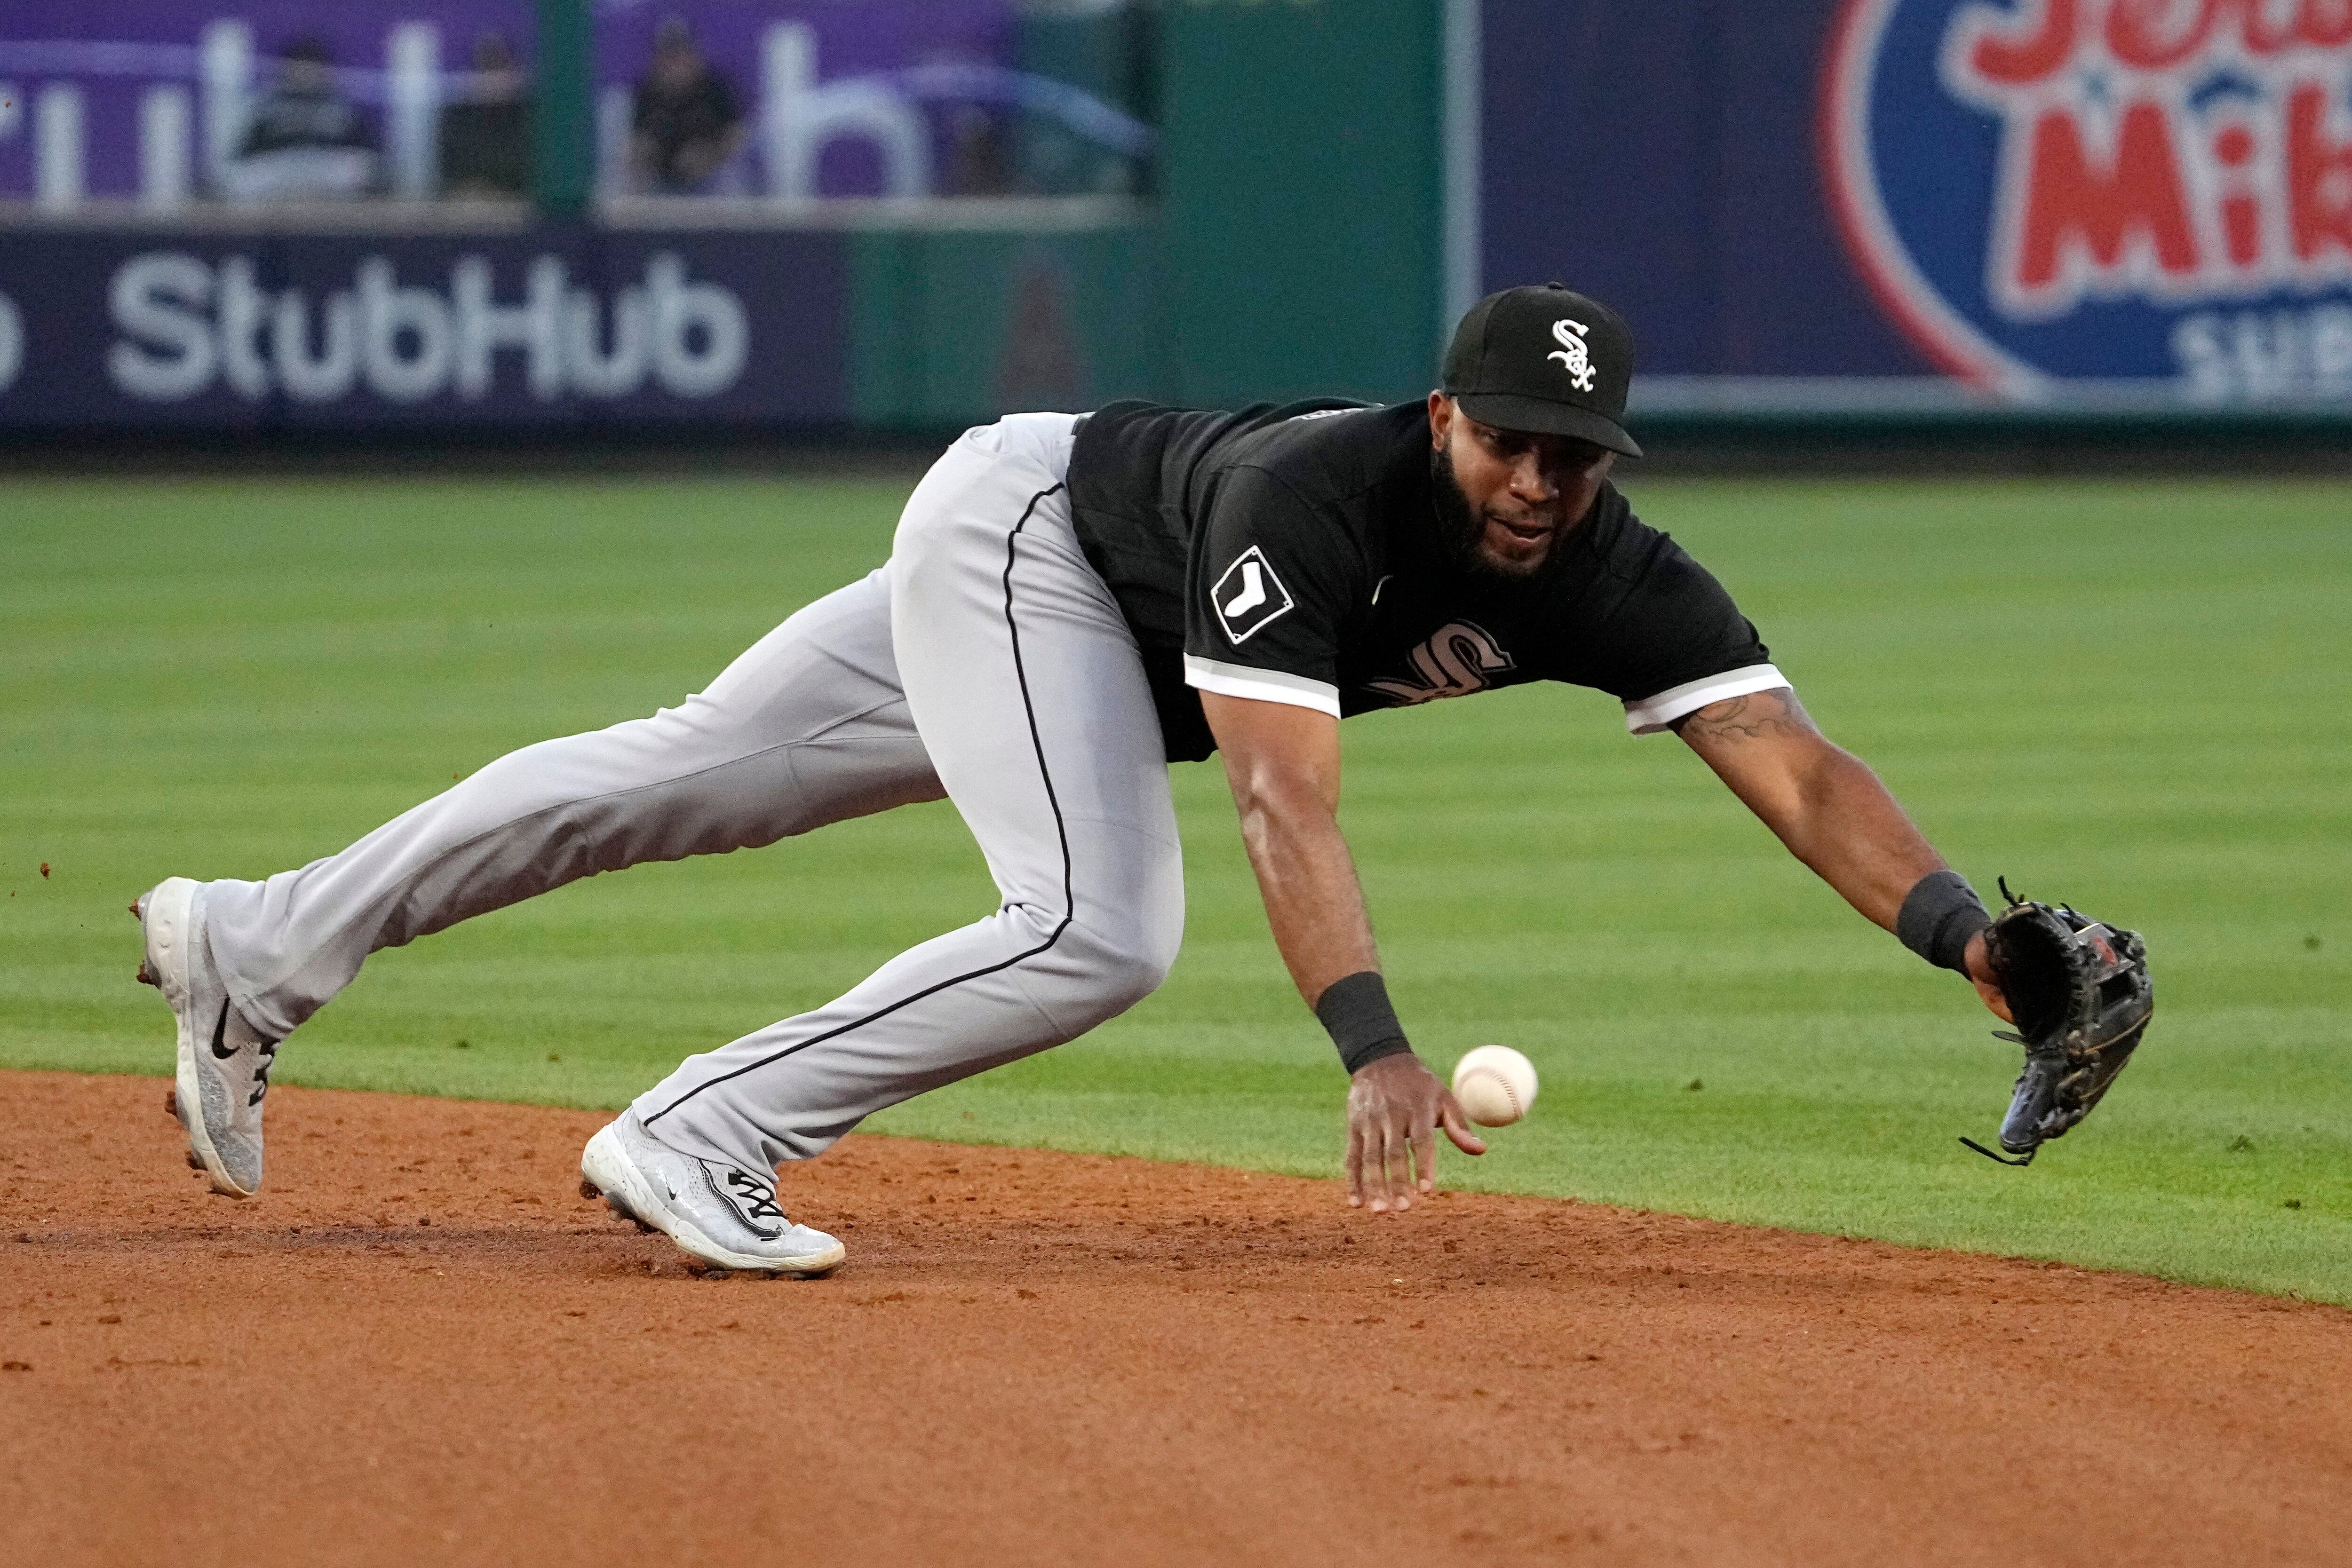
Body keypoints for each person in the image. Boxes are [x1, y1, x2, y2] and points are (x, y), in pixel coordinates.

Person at [134, 285, 2017, 1278]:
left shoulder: (1613, 568)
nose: (1539, 480)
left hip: (1082, 618)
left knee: (685, 771)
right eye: (1510, 439)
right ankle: (706, 1129)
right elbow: (1282, 799)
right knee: (1097, 925)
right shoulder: (1317, 492)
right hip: (1030, 544)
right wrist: (1368, 1037)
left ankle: (253, 937)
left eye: (1576, 454)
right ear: (1443, 415)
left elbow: (1790, 762)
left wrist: (1974, 942)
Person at [220, 37, 377, 204]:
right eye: (298, 68)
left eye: (312, 69)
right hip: (281, 165)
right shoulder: (268, 103)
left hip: (324, 166)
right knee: (240, 179)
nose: (305, 75)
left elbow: (365, 150)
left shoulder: (340, 102)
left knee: (358, 169)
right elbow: (245, 153)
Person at [629, 17, 746, 195]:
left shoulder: (715, 89)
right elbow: (635, 143)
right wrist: (646, 157)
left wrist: (710, 156)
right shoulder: (648, 92)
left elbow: (736, 136)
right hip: (660, 179)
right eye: (669, 58)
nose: (675, 66)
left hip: (713, 180)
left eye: (681, 57)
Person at [438, 32, 532, 199]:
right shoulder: (460, 116)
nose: (493, 79)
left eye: (499, 68)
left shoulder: (531, 116)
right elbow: (452, 170)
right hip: (473, 205)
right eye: (486, 68)